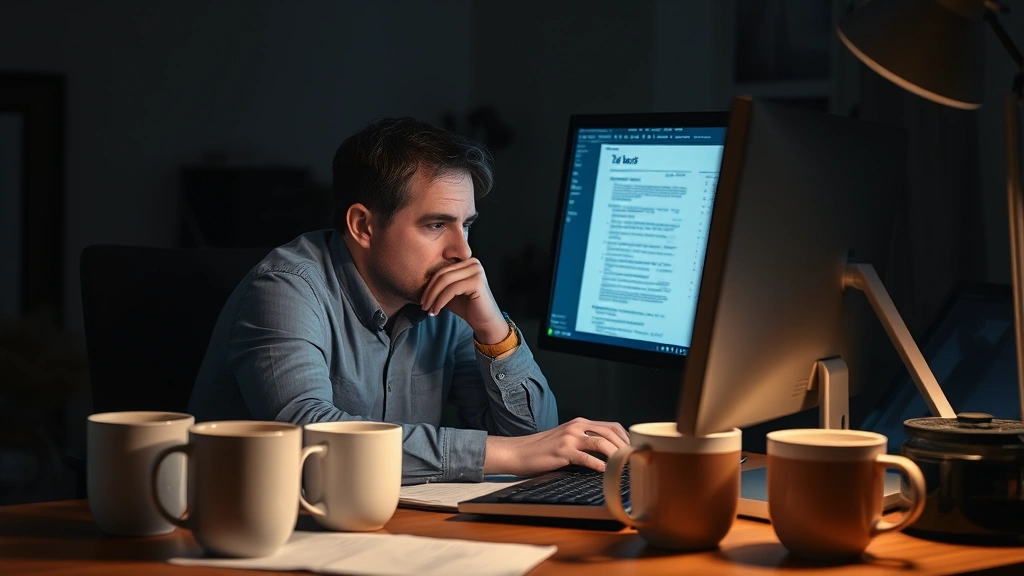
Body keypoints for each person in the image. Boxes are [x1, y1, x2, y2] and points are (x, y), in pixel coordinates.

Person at [188, 117, 628, 484]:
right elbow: (309, 435)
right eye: (437, 225)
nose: (463, 252)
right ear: (362, 225)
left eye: (467, 225)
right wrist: (504, 456)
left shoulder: (445, 297)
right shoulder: (284, 288)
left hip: (384, 531)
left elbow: (538, 441)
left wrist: (493, 330)